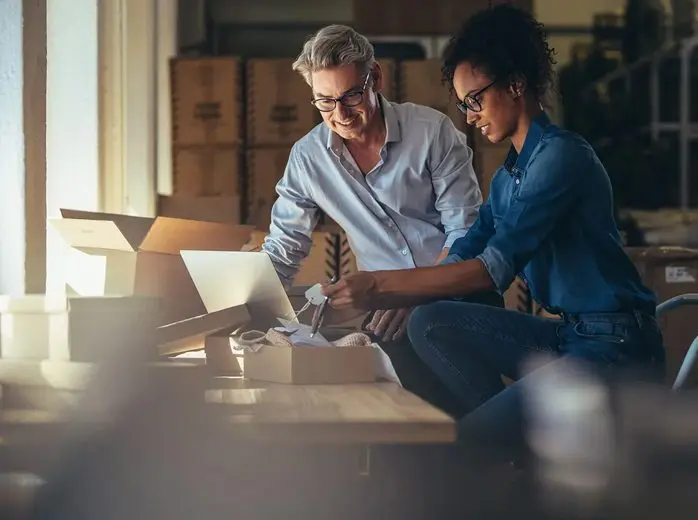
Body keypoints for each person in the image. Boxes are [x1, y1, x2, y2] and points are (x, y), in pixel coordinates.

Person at [322, 5, 665, 466]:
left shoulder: (560, 158)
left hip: (615, 349)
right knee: (430, 321)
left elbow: (490, 271)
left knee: (465, 446)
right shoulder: (510, 177)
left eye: (475, 100)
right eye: (463, 105)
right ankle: (511, 450)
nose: (469, 117)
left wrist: (380, 286)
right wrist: (406, 299)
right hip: (569, 338)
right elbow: (467, 247)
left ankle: (498, 448)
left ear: (516, 84)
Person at [261, 24, 485, 416]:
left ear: (375, 78)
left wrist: (417, 293)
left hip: (458, 295)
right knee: (380, 411)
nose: (340, 114)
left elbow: (466, 232)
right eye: (324, 102)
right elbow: (284, 248)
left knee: (456, 416)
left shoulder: (432, 133)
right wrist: (248, 307)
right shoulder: (308, 158)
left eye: (350, 96)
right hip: (385, 311)